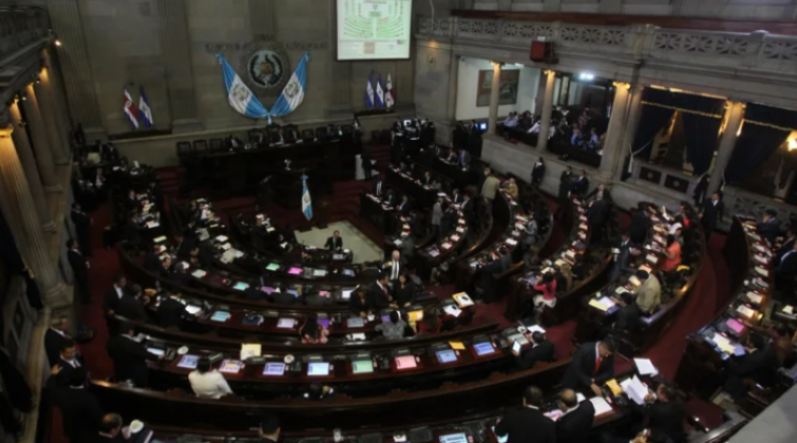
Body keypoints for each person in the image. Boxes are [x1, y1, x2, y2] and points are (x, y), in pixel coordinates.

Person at [47, 365, 104, 442]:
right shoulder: (88, 398)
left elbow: (51, 388)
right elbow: (98, 417)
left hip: (66, 429)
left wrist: (53, 375)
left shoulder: (61, 393)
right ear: (84, 381)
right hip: (84, 434)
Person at [725, 332, 780, 397]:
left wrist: (727, 358)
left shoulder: (754, 359)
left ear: (751, 344)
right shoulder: (758, 353)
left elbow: (739, 371)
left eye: (748, 339)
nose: (746, 340)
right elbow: (745, 359)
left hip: (745, 382)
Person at [67, 239, 90, 304]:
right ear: (72, 245)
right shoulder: (70, 254)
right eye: (75, 243)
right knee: (82, 286)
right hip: (80, 273)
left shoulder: (76, 250)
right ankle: (85, 300)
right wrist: (85, 265)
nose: (77, 243)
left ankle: (87, 296)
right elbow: (77, 264)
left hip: (82, 271)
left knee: (85, 285)